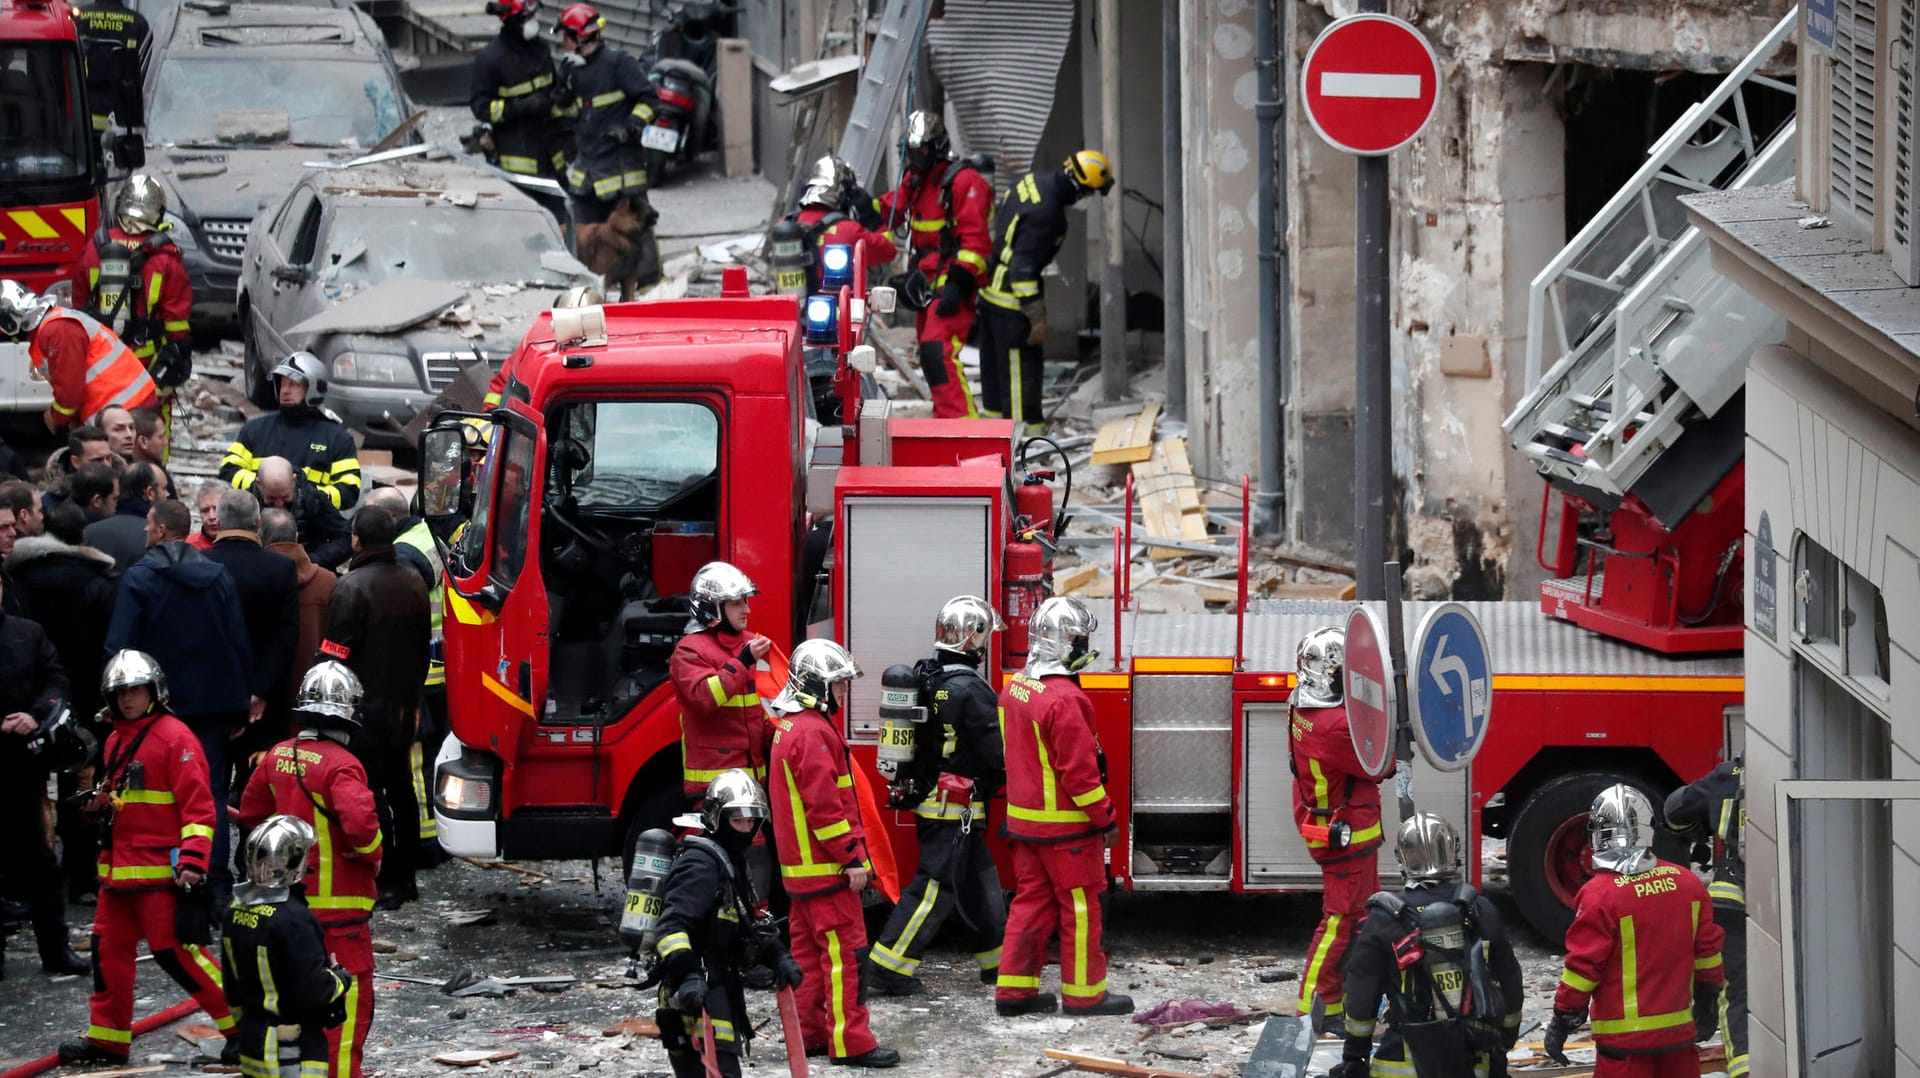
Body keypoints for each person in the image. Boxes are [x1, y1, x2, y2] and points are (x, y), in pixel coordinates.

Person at [60, 650, 236, 1066]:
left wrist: (193, 860)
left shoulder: (176, 738)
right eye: (120, 692)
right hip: (118, 876)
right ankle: (108, 1041)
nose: (127, 699)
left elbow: (199, 807)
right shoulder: (117, 740)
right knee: (107, 957)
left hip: (161, 875)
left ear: (153, 691)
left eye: (135, 690)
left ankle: (241, 1026)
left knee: (180, 954)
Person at [104, 497, 254, 904]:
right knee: (212, 796)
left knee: (155, 797)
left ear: (162, 530)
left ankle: (163, 887)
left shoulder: (139, 578)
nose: (145, 530)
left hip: (154, 709)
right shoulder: (216, 576)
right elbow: (237, 643)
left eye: (149, 524)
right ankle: (215, 886)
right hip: (209, 707)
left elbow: (120, 646)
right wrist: (238, 703)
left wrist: (119, 702)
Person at [238, 662, 383, 1078]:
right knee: (345, 1011)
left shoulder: (278, 755)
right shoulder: (343, 765)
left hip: (285, 910)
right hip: (341, 916)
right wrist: (372, 855)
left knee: (292, 1010)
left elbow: (251, 815)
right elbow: (362, 830)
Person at [994, 596, 1131, 1018]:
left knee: (1030, 905)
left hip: (1024, 825)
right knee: (1081, 908)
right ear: (1066, 643)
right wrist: (1106, 819)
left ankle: (1013, 993)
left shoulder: (1014, 688)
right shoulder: (1065, 700)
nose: (1085, 648)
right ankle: (1084, 995)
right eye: (1081, 640)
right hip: (1066, 831)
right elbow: (1080, 776)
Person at [865, 595, 1007, 996]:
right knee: (934, 889)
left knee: (981, 883)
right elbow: (997, 753)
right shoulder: (971, 690)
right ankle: (887, 966)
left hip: (937, 799)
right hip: (953, 807)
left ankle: (1001, 963)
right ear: (970, 640)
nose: (985, 646)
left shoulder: (926, 674)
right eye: (983, 638)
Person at [767, 639, 899, 1068]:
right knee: (847, 959)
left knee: (806, 958)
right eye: (838, 686)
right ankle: (852, 1041)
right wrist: (851, 858)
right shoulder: (812, 731)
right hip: (827, 873)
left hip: (800, 876)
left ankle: (812, 1035)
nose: (843, 694)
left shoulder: (789, 726)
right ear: (816, 687)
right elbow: (826, 809)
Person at [1546, 785, 1725, 1077]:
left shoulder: (1599, 894)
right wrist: (1708, 997)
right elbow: (1707, 953)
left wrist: (1563, 1016)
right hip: (1678, 1039)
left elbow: (1584, 967)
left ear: (1596, 832)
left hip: (1625, 1047)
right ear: (1649, 828)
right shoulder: (1687, 883)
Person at [1333, 813, 1524, 1078]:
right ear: (1452, 851)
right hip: (1472, 1058)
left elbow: (1361, 993)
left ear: (1403, 858)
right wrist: (1505, 1038)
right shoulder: (1479, 909)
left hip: (1401, 1062)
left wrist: (1354, 1053)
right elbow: (1510, 980)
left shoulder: (1384, 917)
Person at [651, 770, 804, 1078]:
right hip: (691, 999)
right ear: (716, 819)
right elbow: (669, 928)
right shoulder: (700, 864)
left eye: (751, 821)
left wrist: (776, 955)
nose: (746, 829)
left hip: (720, 991)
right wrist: (688, 976)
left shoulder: (729, 859)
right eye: (738, 821)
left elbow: (740, 922)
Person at [6, 501, 117, 904]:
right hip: (85, 697)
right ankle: (82, 874)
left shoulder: (18, 576)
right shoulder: (100, 583)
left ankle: (20, 877)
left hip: (26, 698)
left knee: (27, 790)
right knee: (82, 785)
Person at [319, 509, 430, 909]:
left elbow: (335, 653)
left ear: (356, 541)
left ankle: (384, 881)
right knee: (402, 791)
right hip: (405, 706)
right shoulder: (414, 581)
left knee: (372, 793)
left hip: (363, 709)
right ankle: (407, 879)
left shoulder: (351, 587)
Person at [1286, 625, 1386, 1030]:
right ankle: (1314, 1006)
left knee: (1357, 918)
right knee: (1341, 920)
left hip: (1331, 824)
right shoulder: (1336, 725)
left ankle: (1341, 996)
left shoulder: (1301, 705)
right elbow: (1380, 765)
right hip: (1347, 833)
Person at [976, 151, 1115, 433]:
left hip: (990, 292)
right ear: (1078, 186)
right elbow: (1022, 270)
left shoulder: (1032, 181)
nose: (1088, 199)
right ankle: (1023, 443)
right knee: (1020, 378)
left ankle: (991, 436)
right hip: (1012, 304)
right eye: (1090, 192)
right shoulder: (1049, 215)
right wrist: (1036, 316)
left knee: (994, 376)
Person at [876, 112, 991, 418]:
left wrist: (957, 284)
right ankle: (946, 420)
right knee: (930, 356)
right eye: (911, 151)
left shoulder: (963, 182)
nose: (915, 157)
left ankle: (965, 429)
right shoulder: (917, 180)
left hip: (952, 283)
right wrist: (862, 206)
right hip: (927, 281)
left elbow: (976, 243)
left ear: (936, 147)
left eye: (921, 150)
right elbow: (891, 209)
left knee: (938, 351)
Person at [0, 575, 88, 976]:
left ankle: (55, 948)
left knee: (40, 863)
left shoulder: (27, 634)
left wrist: (36, 714)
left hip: (21, 766)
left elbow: (57, 680)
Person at [222, 816, 352, 1078]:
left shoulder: (234, 910)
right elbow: (314, 990)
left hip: (253, 1042)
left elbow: (230, 984)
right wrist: (340, 979)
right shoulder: (294, 920)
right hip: (293, 1050)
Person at [554, 3, 661, 297]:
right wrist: (562, 92)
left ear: (580, 36)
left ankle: (650, 299)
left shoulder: (618, 63)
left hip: (619, 171)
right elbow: (573, 114)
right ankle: (586, 299)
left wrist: (629, 127)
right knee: (581, 244)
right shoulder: (575, 72)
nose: (561, 43)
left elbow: (650, 100)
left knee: (638, 247)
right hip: (587, 173)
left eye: (565, 35)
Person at [365, 485, 446, 863]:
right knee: (431, 757)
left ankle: (425, 842)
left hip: (417, 676)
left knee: (413, 762)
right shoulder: (429, 537)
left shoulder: (406, 556)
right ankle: (436, 833)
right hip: (439, 671)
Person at [88, 176, 192, 455]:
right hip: (146, 364)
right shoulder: (165, 259)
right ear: (158, 213)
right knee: (151, 427)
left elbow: (79, 306)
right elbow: (176, 324)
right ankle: (153, 479)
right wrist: (178, 357)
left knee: (103, 423)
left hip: (101, 364)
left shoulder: (93, 250)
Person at [205, 489, 301, 780]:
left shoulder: (198, 565)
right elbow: (287, 635)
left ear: (218, 522)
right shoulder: (281, 568)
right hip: (266, 704)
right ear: (258, 522)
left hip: (211, 699)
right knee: (260, 793)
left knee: (211, 786)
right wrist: (259, 691)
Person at [1665, 760, 1747, 1078]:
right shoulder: (1795, 766)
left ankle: (1745, 1069)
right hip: (1785, 900)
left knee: (1738, 992)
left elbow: (1676, 809)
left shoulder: (1728, 775)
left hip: (1729, 900)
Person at [0, 279, 158, 433]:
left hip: (127, 409)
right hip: (123, 407)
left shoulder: (56, 330)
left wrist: (56, 416)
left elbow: (70, 393)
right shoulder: (54, 325)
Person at [671, 562, 771, 800]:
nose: (747, 610)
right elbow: (703, 698)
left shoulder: (750, 644)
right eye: (737, 603)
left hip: (755, 781)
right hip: (713, 785)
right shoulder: (689, 651)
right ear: (711, 608)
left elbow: (765, 706)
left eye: (746, 601)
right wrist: (742, 661)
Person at [220, 353, 362, 511]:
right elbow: (228, 471)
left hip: (312, 526)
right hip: (258, 523)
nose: (285, 391)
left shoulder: (337, 438)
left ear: (314, 388)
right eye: (283, 384)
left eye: (293, 384)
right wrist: (263, 488)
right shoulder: (255, 430)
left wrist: (306, 497)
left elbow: (349, 491)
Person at [470, 0, 570, 187]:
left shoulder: (541, 49)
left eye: (533, 16)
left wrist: (560, 97)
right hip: (517, 165)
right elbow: (480, 108)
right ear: (511, 19)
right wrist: (520, 107)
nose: (533, 22)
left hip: (551, 159)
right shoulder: (490, 59)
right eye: (527, 17)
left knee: (558, 214)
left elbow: (552, 89)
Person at [784, 155, 897, 294]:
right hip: (838, 311)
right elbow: (888, 251)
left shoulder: (786, 226)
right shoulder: (849, 231)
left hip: (792, 308)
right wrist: (872, 218)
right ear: (845, 194)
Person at [261, 508, 337, 707]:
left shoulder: (257, 579)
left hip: (265, 697)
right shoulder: (328, 581)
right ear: (296, 536)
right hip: (315, 695)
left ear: (259, 536)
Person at [252, 456, 351, 570]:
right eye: (271, 498)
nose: (279, 504)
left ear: (293, 481)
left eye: (285, 497)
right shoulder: (247, 502)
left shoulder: (313, 500)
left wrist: (311, 560)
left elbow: (346, 538)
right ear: (259, 484)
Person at [74, 0, 151, 137]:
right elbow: (146, 74)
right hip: (124, 117)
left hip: (83, 112)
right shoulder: (138, 23)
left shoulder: (79, 17)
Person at [85, 460, 163, 571]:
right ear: (150, 492)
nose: (167, 494)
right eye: (164, 489)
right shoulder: (156, 536)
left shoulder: (89, 532)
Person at [189, 477, 225, 550]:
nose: (212, 517)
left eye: (217, 509)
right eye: (205, 511)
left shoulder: (245, 545)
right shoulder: (189, 547)